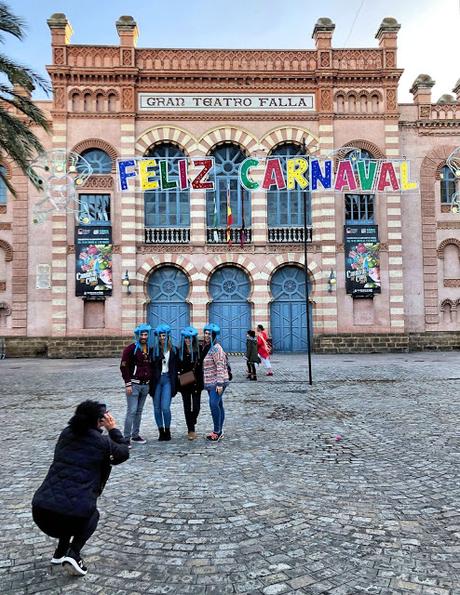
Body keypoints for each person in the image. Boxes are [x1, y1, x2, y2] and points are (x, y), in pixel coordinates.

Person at [32, 401, 129, 576]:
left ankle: (60, 553)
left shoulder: (66, 433)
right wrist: (113, 429)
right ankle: (73, 553)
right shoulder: (102, 442)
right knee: (89, 513)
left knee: (70, 500)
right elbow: (122, 453)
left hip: (40, 510)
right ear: (100, 420)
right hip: (66, 516)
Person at [119, 323, 154, 445]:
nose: (144, 337)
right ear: (137, 335)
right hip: (133, 385)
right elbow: (124, 367)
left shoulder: (149, 349)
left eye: (145, 334)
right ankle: (126, 438)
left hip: (145, 385)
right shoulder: (130, 349)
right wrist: (127, 383)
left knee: (139, 411)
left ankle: (135, 434)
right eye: (142, 334)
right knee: (131, 411)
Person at [150, 324, 178, 441]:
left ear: (168, 336)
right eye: (160, 336)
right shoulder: (153, 350)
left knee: (165, 407)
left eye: (164, 335)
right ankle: (161, 431)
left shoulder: (174, 350)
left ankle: (168, 429)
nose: (162, 338)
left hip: (168, 380)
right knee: (157, 408)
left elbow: (179, 367)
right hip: (156, 381)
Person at [202, 323, 229, 442]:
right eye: (206, 333)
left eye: (209, 334)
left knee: (213, 404)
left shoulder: (216, 348)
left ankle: (216, 431)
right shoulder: (207, 346)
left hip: (217, 382)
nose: (207, 335)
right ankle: (220, 431)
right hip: (209, 382)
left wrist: (219, 384)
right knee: (218, 405)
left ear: (214, 335)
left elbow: (220, 366)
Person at [178, 326, 203, 440]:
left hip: (197, 382)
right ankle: (191, 429)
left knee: (196, 407)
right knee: (187, 406)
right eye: (186, 338)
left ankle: (192, 420)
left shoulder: (199, 350)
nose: (187, 340)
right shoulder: (179, 351)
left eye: (190, 338)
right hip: (185, 381)